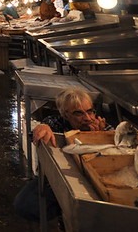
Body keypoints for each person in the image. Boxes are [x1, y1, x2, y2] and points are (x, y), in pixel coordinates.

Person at [13, 88, 111, 223]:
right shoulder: (57, 123)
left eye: (90, 111)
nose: (88, 118)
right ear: (65, 115)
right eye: (78, 113)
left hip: (94, 181)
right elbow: (36, 132)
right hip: (60, 177)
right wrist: (42, 128)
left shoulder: (102, 127)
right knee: (24, 204)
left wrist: (100, 137)